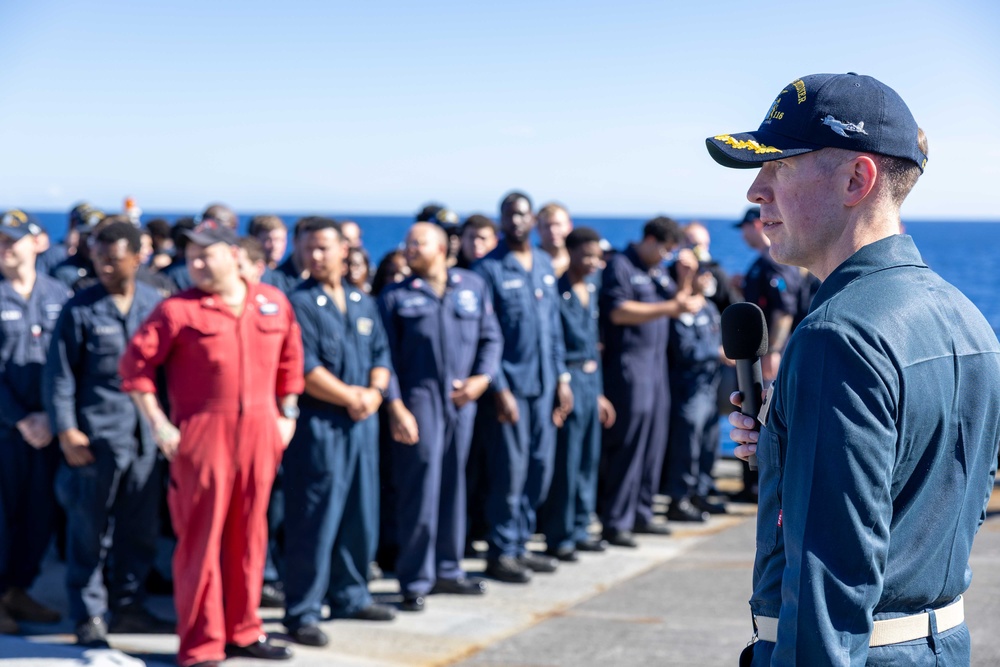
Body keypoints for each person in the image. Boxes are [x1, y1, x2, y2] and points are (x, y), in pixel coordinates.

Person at [711, 72, 1000, 665]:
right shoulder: (966, 318)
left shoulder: (836, 336)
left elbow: (830, 587)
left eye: (781, 166)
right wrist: (786, 448)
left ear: (855, 179)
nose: (755, 191)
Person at [119, 219, 304, 667]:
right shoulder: (178, 310)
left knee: (251, 536)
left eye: (206, 254)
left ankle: (243, 629)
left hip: (261, 431)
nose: (196, 264)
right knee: (200, 541)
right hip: (204, 435)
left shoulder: (272, 302)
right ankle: (202, 644)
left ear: (235, 255)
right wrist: (159, 423)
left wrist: (288, 414)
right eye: (190, 256)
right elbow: (135, 368)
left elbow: (291, 361)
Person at [43, 221, 170, 646]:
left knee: (139, 528)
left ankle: (129, 605)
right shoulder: (79, 308)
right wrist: (67, 431)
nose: (104, 267)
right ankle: (88, 613)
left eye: (113, 259)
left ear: (138, 257)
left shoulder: (157, 305)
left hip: (145, 442)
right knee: (88, 531)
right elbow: (59, 377)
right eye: (98, 258)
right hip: (95, 440)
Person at [282, 217, 395, 649]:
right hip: (321, 426)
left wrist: (375, 391)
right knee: (315, 519)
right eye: (308, 248)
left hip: (362, 423)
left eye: (324, 248)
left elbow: (382, 352)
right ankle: (303, 610)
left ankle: (351, 595)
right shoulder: (299, 303)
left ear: (343, 251)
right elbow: (304, 367)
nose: (316, 256)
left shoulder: (362, 301)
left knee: (360, 514)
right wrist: (352, 395)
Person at [378, 222, 502, 612]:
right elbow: (382, 358)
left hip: (462, 400)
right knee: (420, 489)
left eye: (419, 242)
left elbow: (491, 337)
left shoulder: (471, 286)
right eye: (408, 242)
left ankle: (448, 569)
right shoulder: (396, 295)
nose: (409, 248)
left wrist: (483, 379)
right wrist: (396, 406)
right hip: (419, 400)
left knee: (454, 487)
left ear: (442, 247)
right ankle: (415, 578)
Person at [472, 191, 572, 583]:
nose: (516, 222)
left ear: (532, 221)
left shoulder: (545, 263)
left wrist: (562, 379)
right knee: (509, 473)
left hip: (546, 386)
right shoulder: (488, 269)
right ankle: (501, 551)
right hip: (511, 389)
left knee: (539, 470)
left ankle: (520, 545)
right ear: (501, 222)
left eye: (522, 215)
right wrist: (498, 388)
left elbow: (553, 328)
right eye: (509, 215)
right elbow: (487, 334)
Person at [598, 216, 703, 546]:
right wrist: (671, 305)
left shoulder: (656, 271)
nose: (666, 257)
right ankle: (616, 521)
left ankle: (642, 513)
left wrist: (685, 280)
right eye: (665, 250)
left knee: (654, 444)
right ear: (649, 240)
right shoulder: (621, 265)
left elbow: (678, 304)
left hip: (656, 368)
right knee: (628, 446)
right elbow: (617, 311)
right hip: (629, 368)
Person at [0, 210, 71, 635]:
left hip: (47, 430)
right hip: (7, 432)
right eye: (1, 242)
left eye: (13, 240)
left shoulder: (58, 293)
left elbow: (65, 365)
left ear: (37, 243)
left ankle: (17, 590)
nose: (7, 248)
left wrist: (50, 417)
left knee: (38, 517)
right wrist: (22, 418)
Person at [537, 227, 616, 560]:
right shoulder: (558, 290)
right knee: (567, 463)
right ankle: (561, 535)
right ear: (569, 253)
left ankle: (582, 527)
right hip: (568, 381)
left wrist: (598, 393)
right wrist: (561, 382)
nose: (593, 262)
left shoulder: (593, 287)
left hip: (590, 380)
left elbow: (593, 346)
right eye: (586, 255)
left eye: (596, 255)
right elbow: (553, 343)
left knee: (588, 459)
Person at [663, 250, 727, 521]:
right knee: (686, 443)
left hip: (709, 386)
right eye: (704, 272)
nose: (709, 277)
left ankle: (700, 492)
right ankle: (679, 498)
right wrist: (717, 353)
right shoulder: (683, 309)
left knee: (708, 442)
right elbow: (685, 350)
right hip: (688, 388)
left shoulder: (709, 307)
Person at [536, 203, 574, 278]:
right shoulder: (530, 263)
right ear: (538, 229)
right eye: (547, 226)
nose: (553, 231)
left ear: (569, 226)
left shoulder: (579, 261)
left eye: (558, 225)